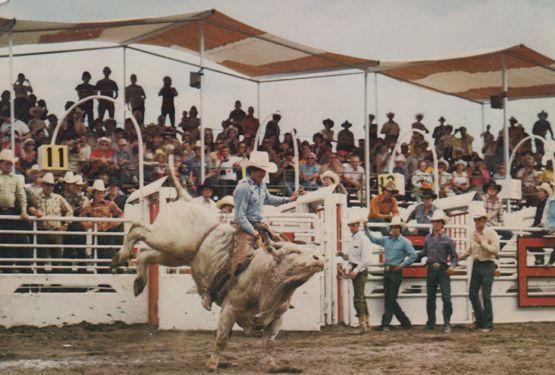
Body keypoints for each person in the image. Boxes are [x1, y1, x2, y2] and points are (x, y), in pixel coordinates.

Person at [365, 216, 417, 331]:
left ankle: (386, 324)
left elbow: (413, 255)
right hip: (388, 271)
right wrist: (366, 229)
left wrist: (402, 265)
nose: (394, 230)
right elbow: (373, 239)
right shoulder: (386, 239)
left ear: (400, 229)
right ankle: (405, 322)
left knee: (390, 298)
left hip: (395, 271)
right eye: (393, 227)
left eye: (397, 228)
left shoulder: (405, 242)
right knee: (390, 298)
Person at [414, 210, 457, 333]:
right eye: (434, 222)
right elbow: (423, 253)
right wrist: (413, 258)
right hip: (432, 269)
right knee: (430, 297)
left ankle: (447, 323)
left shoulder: (448, 240)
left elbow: (454, 257)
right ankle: (431, 322)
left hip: (443, 269)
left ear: (442, 224)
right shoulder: (428, 238)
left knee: (446, 297)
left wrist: (452, 266)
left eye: (438, 222)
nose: (436, 224)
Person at [460, 207, 500, 333]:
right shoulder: (473, 234)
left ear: (484, 221)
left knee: (486, 295)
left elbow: (495, 251)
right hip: (477, 264)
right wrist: (458, 257)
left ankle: (488, 324)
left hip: (488, 264)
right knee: (472, 294)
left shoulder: (491, 233)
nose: (477, 223)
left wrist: (482, 242)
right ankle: (480, 321)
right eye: (476, 220)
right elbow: (470, 251)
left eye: (479, 220)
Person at [28, 173, 73, 272]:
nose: (49, 187)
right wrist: (34, 211)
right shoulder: (35, 197)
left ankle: (55, 285)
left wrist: (65, 224)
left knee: (57, 260)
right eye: (47, 185)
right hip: (41, 231)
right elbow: (29, 207)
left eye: (51, 185)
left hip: (55, 231)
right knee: (40, 260)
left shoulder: (58, 198)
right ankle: (40, 285)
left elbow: (69, 210)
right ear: (42, 185)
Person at [339, 215, 371, 333]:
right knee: (360, 296)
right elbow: (354, 255)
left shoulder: (363, 239)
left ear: (358, 225)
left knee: (358, 297)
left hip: (359, 269)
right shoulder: (356, 238)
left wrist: (355, 271)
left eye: (353, 225)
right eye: (351, 225)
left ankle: (362, 325)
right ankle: (365, 323)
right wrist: (343, 255)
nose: (351, 227)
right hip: (357, 267)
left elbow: (365, 259)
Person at [81, 179, 123, 268]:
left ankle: (107, 274)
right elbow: (81, 218)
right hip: (96, 233)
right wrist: (88, 225)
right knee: (98, 255)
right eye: (98, 193)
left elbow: (121, 214)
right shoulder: (88, 206)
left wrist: (115, 223)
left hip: (108, 232)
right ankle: (101, 276)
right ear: (94, 193)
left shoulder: (110, 204)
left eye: (102, 193)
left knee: (108, 256)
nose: (100, 195)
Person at [0, 149, 29, 273]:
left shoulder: (17, 178)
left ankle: (7, 269)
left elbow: (21, 195)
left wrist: (24, 211)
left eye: (11, 163)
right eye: (7, 163)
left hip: (9, 212)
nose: (9, 166)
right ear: (1, 163)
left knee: (9, 240)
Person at [481, 181, 512, 249]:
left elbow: (500, 216)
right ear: (487, 190)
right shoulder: (482, 199)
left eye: (494, 189)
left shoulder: (499, 201)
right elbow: (480, 213)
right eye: (490, 189)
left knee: (508, 233)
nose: (492, 190)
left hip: (495, 225)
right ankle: (488, 250)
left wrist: (502, 226)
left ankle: (497, 249)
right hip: (484, 225)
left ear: (497, 191)